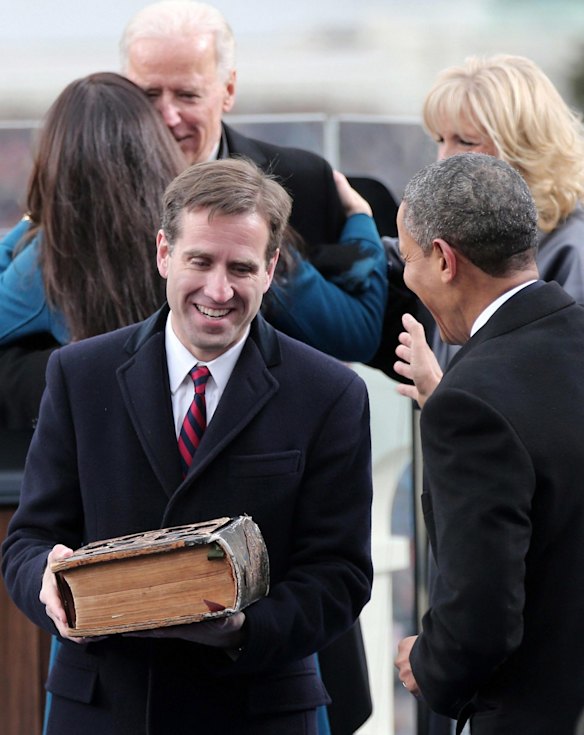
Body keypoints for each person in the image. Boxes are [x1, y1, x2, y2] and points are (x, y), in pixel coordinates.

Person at [1, 157, 373, 735]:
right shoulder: (80, 374)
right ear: (163, 254)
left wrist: (245, 629)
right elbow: (28, 539)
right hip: (105, 708)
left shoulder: (330, 394)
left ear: (272, 268)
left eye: (241, 267)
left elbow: (340, 573)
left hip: (256, 708)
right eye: (200, 260)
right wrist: (44, 585)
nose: (218, 290)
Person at [392, 152, 584, 735]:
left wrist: (429, 663)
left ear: (445, 259)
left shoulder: (468, 404)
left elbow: (482, 614)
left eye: (407, 259)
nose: (407, 278)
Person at [120, 0, 388, 367]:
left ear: (228, 89)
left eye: (187, 95)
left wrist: (361, 222)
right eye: (149, 94)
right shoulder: (85, 197)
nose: (168, 116)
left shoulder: (301, 182)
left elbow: (349, 337)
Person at [0, 72, 186, 427]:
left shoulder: (49, 260)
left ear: (56, 162)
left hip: (96, 442)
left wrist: (36, 219)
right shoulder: (190, 232)